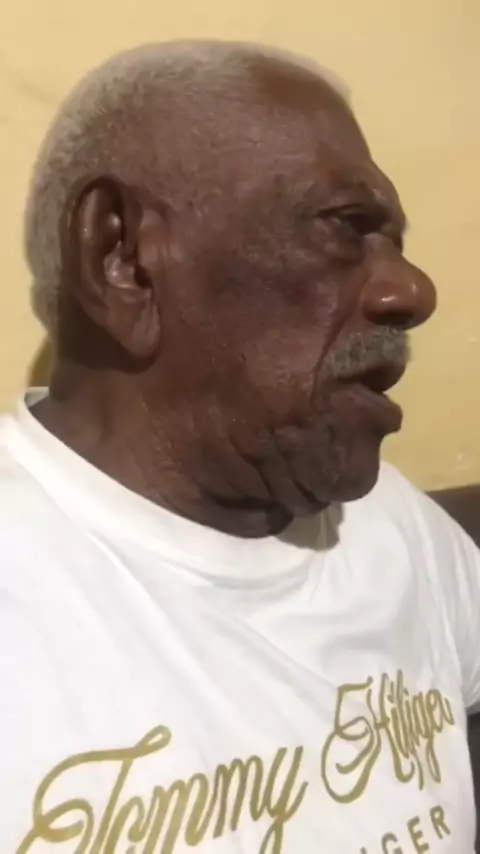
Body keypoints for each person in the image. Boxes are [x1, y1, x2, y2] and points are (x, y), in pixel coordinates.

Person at [0, 40, 477, 853]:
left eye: (394, 242)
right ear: (124, 261)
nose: (412, 290)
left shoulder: (396, 529)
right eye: (345, 227)